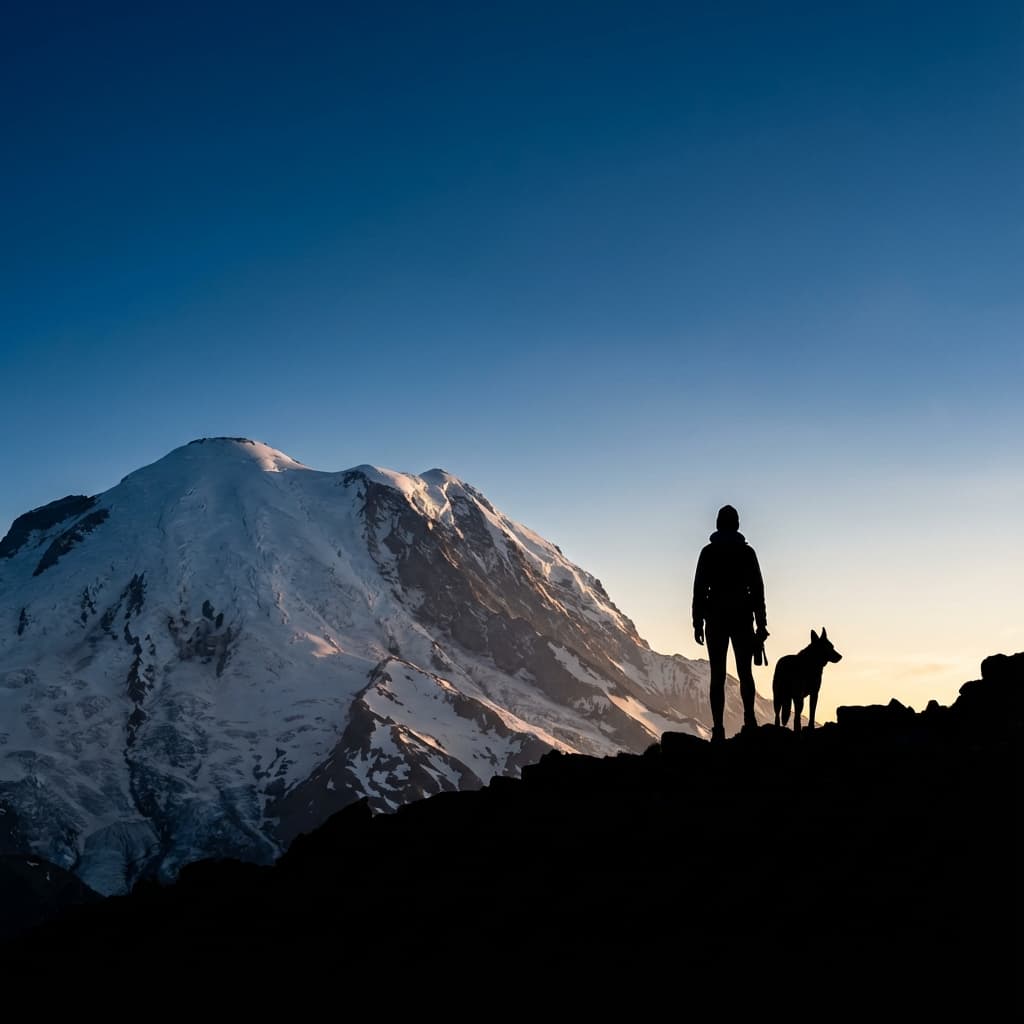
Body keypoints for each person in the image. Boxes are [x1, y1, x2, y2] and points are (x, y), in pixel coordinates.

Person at [692, 504, 768, 741]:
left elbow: (699, 589)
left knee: (718, 676)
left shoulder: (708, 552)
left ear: (717, 524)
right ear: (737, 524)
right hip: (742, 618)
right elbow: (757, 589)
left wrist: (697, 621)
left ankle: (718, 729)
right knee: (745, 673)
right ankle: (750, 721)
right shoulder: (747, 553)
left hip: (715, 619)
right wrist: (761, 623)